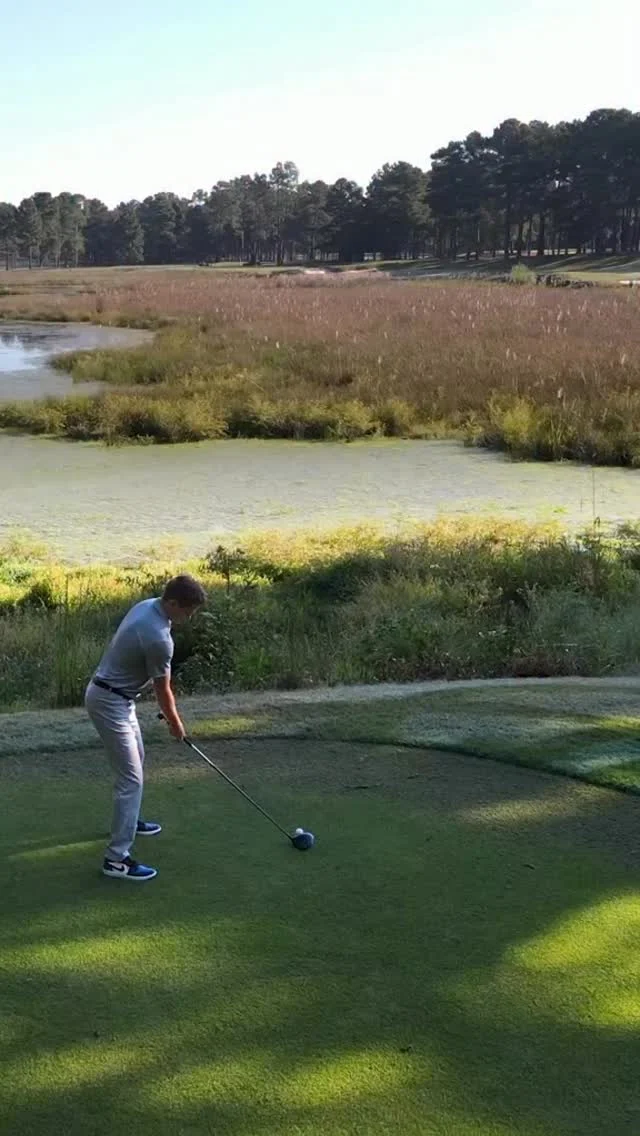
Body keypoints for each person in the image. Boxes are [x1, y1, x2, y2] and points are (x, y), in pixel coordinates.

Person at [85, 574, 206, 882]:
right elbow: (163, 690)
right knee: (132, 779)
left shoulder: (148, 605)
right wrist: (176, 725)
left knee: (137, 759)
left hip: (118, 698)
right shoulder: (158, 637)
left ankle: (130, 819)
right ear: (173, 603)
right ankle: (116, 859)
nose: (188, 618)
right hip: (110, 702)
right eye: (187, 612)